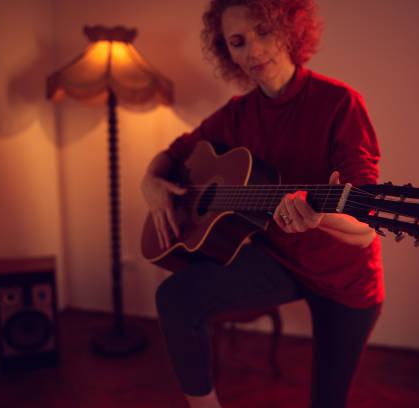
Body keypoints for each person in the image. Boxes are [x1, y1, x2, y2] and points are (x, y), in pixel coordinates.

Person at [141, 0, 383, 407]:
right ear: (227, 53)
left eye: (263, 32)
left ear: (290, 29)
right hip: (280, 259)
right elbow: (175, 153)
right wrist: (151, 180)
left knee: (328, 401)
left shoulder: (340, 104)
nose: (252, 51)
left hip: (345, 278)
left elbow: (366, 228)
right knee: (174, 297)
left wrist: (319, 218)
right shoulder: (236, 115)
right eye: (237, 42)